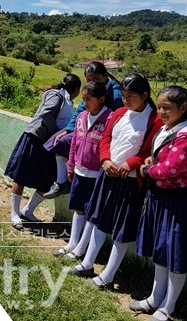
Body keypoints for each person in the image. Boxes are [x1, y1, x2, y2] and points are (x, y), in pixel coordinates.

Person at [68, 73, 163, 290]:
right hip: (108, 174)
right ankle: (87, 263)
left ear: (145, 95)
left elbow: (149, 151)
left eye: (131, 96)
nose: (126, 100)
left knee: (121, 228)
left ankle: (108, 276)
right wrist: (105, 160)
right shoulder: (119, 113)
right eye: (123, 95)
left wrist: (130, 163)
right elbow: (106, 139)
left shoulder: (154, 120)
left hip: (130, 181)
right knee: (98, 219)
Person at [131, 86, 187, 321]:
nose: (161, 111)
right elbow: (161, 160)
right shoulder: (167, 130)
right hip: (159, 197)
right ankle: (154, 298)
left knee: (175, 256)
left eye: (167, 108)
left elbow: (169, 170)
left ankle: (168, 306)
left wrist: (145, 169)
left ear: (183, 108)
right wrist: (153, 160)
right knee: (161, 253)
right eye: (159, 106)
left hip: (175, 202)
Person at [6, 74, 82, 230]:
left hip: (48, 144)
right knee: (21, 176)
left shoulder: (67, 99)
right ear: (76, 89)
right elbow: (46, 113)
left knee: (47, 180)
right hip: (36, 138)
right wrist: (56, 133)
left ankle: (28, 211)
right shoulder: (57, 96)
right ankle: (14, 213)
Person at [43, 61, 123, 199]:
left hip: (103, 132)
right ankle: (62, 181)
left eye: (97, 79)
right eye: (89, 80)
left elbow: (117, 119)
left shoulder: (116, 94)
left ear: (105, 77)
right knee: (59, 140)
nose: (92, 82)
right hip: (86, 128)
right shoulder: (91, 91)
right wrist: (67, 130)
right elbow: (80, 110)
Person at [52, 81, 112, 260]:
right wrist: (71, 166)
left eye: (88, 99)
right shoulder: (81, 117)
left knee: (91, 212)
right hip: (79, 171)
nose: (84, 103)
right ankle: (72, 243)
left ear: (101, 99)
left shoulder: (109, 119)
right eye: (83, 99)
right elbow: (74, 145)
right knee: (78, 209)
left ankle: (81, 249)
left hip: (96, 175)